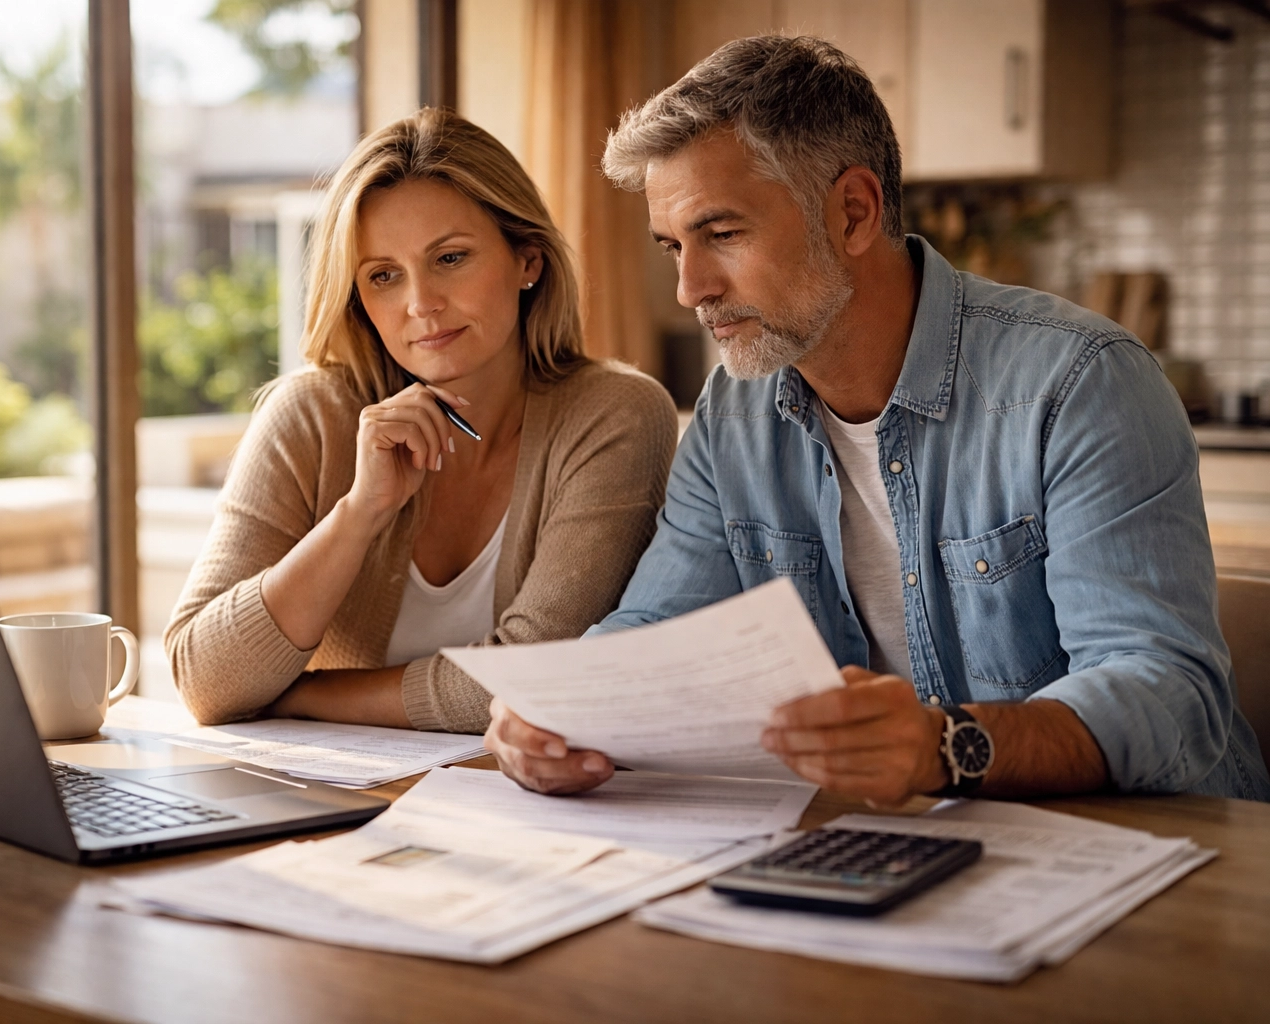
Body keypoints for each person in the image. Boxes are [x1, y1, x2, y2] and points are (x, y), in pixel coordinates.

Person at [485, 36, 1270, 803]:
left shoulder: (1078, 383)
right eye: (671, 248)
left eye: (722, 234)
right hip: (909, 846)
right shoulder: (734, 414)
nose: (690, 288)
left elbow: (1169, 693)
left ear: (854, 212)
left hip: (1168, 853)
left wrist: (942, 747)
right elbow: (655, 629)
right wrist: (556, 714)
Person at [165, 108, 677, 732]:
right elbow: (203, 680)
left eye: (451, 258)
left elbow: (531, 679)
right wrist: (360, 514)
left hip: (531, 809)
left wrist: (300, 695)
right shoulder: (309, 416)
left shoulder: (613, 417)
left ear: (528, 261)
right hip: (338, 804)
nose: (421, 304)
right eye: (383, 276)